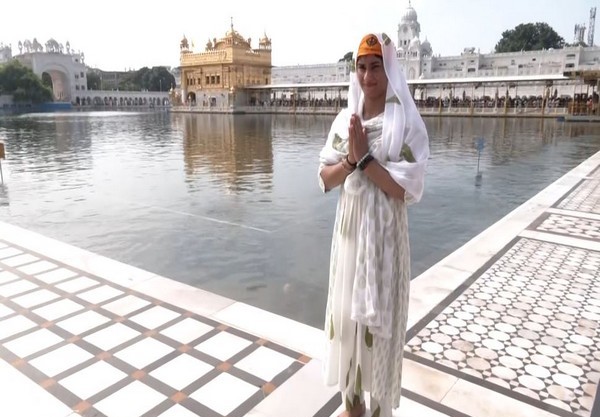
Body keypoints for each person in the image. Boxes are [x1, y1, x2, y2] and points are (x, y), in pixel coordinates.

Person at [318, 33, 430, 417]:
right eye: (361, 67)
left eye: (375, 66)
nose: (368, 75)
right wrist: (351, 161)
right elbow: (326, 178)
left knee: (380, 339)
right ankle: (352, 407)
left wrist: (364, 158)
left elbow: (405, 189)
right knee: (349, 329)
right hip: (351, 238)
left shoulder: (405, 123)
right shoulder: (347, 121)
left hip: (384, 243)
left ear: (390, 68)